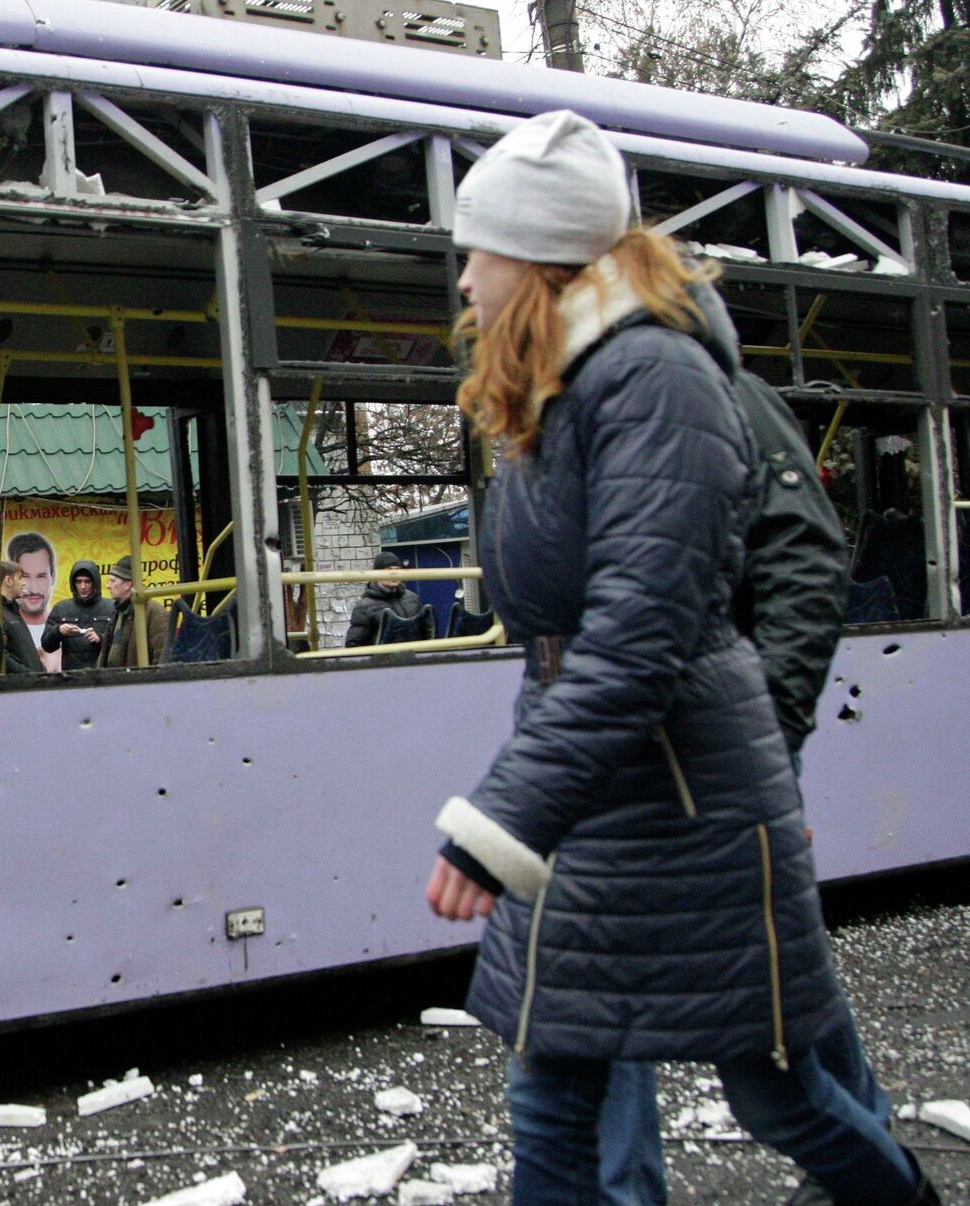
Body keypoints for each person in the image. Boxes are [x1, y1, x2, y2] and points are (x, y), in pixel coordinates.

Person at [422, 111, 933, 1205]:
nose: (464, 280)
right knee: (554, 1098)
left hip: (682, 793)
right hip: (607, 787)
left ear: (542, 256)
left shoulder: (654, 377)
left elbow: (642, 632)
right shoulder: (565, 387)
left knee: (776, 1091)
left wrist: (504, 817)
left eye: (480, 251)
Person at [595, 286, 876, 1206]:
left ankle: (865, 1159)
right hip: (623, 746)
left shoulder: (722, 393)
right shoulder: (589, 408)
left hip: (718, 743)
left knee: (764, 968)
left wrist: (770, 728)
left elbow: (806, 557)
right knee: (601, 976)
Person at [42, 558, 116, 671]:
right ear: (73, 583)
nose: (83, 587)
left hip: (104, 674)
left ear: (95, 583)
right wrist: (58, 631)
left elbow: (122, 644)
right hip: (72, 676)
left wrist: (100, 639)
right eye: (78, 582)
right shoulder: (61, 608)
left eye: (87, 582)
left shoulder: (112, 608)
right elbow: (47, 646)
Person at [6, 531, 63, 672]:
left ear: (53, 576)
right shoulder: (4, 618)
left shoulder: (63, 623)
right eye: (24, 576)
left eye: (41, 576)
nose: (33, 588)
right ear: (10, 579)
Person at [99, 554, 168, 668]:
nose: (108, 586)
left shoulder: (155, 613)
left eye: (112, 581)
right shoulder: (118, 612)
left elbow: (162, 658)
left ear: (128, 584)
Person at [343, 551, 424, 646]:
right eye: (388, 570)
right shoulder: (364, 607)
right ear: (377, 574)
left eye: (397, 570)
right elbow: (354, 644)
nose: (394, 574)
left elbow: (426, 633)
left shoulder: (413, 599)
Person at [0, 560, 42, 674]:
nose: (23, 583)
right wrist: (28, 675)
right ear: (8, 580)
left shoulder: (12, 610)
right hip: (20, 683)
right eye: (20, 578)